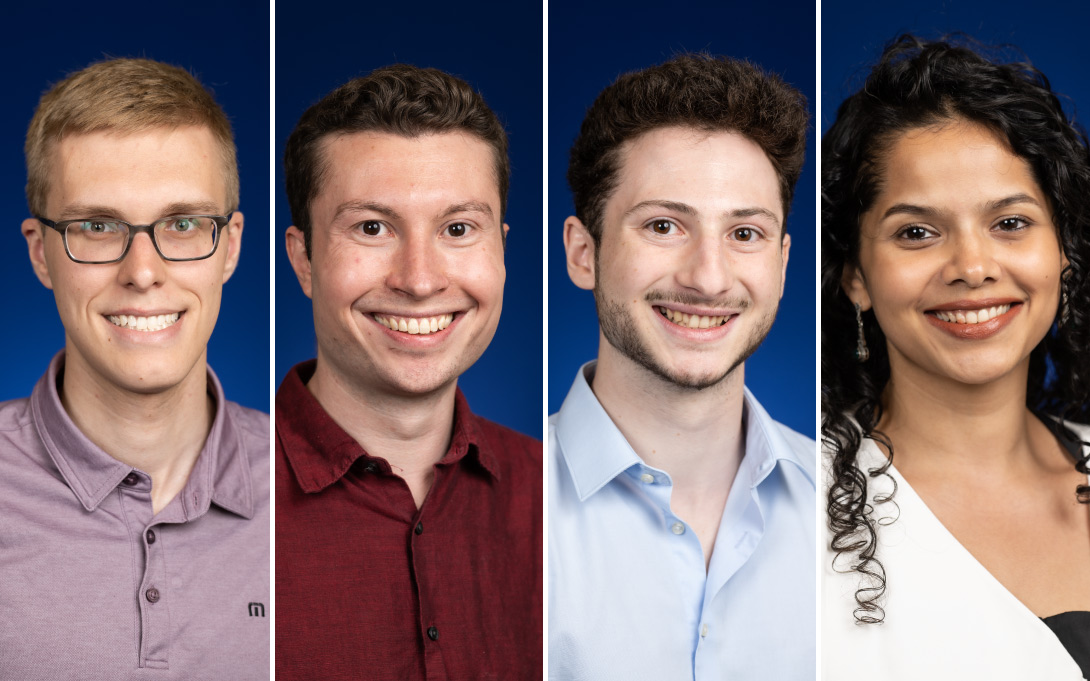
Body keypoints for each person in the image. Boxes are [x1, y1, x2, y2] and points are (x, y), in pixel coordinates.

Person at [822, 35, 1090, 679]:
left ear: (1064, 252)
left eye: (1011, 222)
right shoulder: (785, 514)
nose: (973, 267)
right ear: (856, 274)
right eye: (917, 232)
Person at [0, 58, 269, 680]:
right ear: (42, 254)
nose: (142, 271)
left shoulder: (312, 492)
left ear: (229, 246)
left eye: (181, 224)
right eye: (97, 226)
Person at [549, 54, 815, 679]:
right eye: (665, 225)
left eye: (744, 234)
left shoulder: (856, 507)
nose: (708, 277)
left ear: (781, 262)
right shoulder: (498, 515)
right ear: (584, 253)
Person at [275, 65, 542, 680]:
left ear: (500, 250)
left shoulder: (553, 500)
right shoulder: (223, 502)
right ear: (303, 258)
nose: (419, 280)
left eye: (457, 229)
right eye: (372, 228)